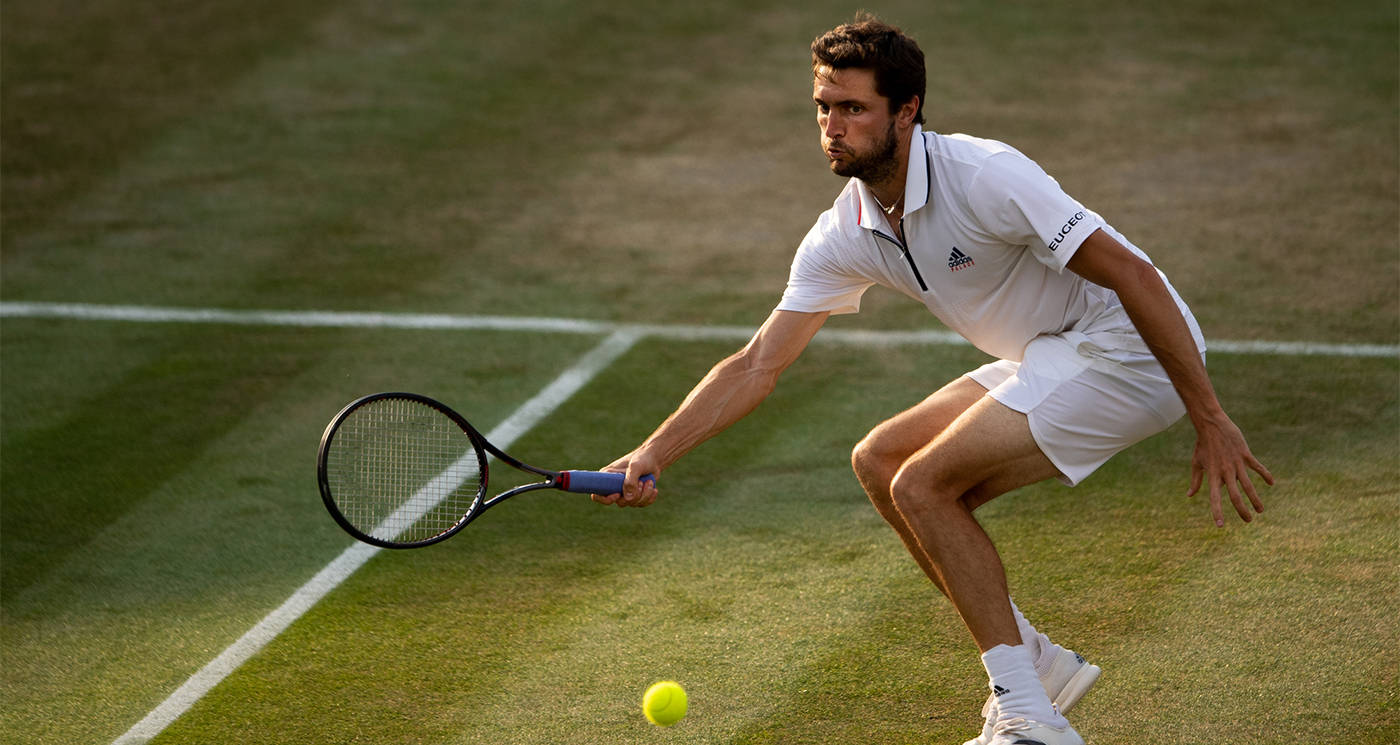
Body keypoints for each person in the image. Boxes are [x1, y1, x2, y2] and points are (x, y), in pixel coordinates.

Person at [592, 15, 1274, 745]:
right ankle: (1035, 662)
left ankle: (1029, 715)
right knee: (880, 461)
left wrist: (1208, 413)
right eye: (823, 107)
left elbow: (1133, 273)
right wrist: (655, 451)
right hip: (1050, 351)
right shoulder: (847, 229)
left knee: (923, 485)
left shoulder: (985, 175)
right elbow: (759, 362)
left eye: (853, 108)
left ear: (906, 111)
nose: (832, 126)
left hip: (1131, 353)